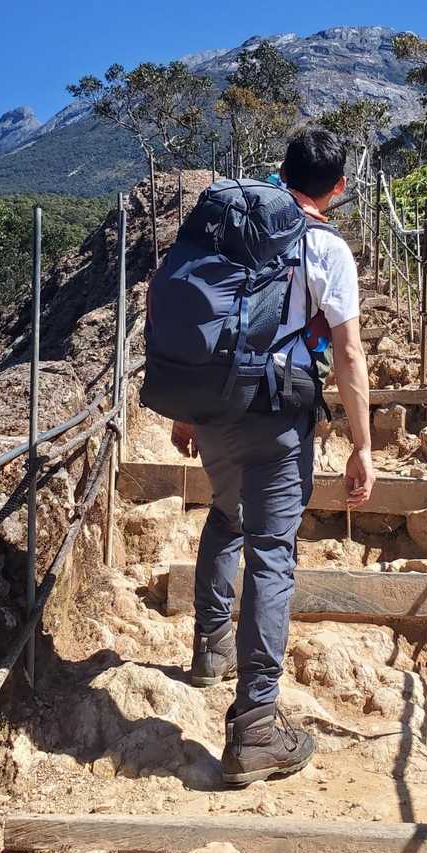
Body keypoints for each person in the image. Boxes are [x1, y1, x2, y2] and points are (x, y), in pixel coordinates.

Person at [170, 126, 375, 786]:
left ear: (281, 174)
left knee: (227, 516)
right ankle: (256, 725)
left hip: (214, 408)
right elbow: (348, 353)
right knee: (271, 554)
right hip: (277, 416)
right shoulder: (327, 249)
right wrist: (362, 445)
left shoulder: (232, 228)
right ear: (338, 188)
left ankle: (211, 646)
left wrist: (185, 409)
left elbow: (197, 318)